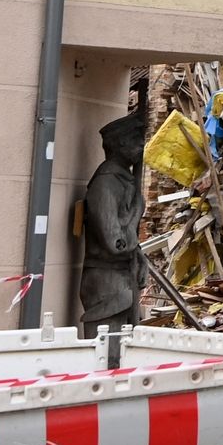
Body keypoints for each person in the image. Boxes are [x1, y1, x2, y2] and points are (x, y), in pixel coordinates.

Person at [80, 109, 147, 336]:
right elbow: (115, 242)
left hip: (122, 278)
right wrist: (137, 210)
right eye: (136, 141)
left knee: (121, 350)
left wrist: (139, 256)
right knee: (106, 349)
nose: (141, 147)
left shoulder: (123, 181)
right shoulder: (107, 183)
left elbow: (129, 242)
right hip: (105, 280)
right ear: (120, 144)